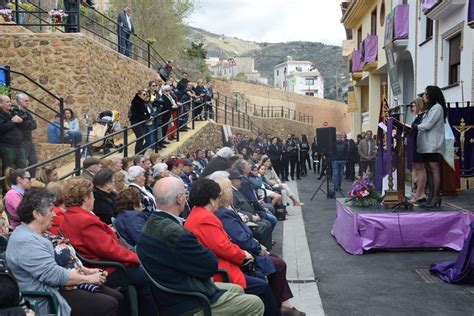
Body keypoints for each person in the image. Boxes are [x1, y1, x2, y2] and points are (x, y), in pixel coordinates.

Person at [136, 177, 264, 315]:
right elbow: (210, 265)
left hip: (172, 293)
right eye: (184, 194)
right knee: (255, 304)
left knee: (237, 289)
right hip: (188, 300)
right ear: (179, 199)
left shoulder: (149, 225)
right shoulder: (176, 232)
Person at [6, 189, 122, 316]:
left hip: (61, 287)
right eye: (51, 210)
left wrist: (85, 271)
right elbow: (53, 275)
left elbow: (60, 264)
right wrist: (87, 278)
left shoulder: (38, 234)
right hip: (49, 298)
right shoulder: (25, 241)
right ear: (37, 214)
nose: (55, 214)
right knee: (109, 304)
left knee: (117, 297)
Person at [58, 177, 157, 315]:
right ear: (86, 197)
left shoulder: (69, 216)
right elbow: (110, 250)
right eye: (92, 195)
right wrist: (136, 258)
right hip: (107, 269)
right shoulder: (84, 220)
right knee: (145, 274)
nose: (94, 199)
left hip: (97, 265)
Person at [184, 178, 279, 316]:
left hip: (218, 265)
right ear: (211, 200)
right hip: (221, 271)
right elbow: (224, 247)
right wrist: (244, 255)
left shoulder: (198, 214)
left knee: (260, 278)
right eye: (217, 198)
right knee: (261, 286)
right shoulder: (205, 218)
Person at [213, 175, 305, 316]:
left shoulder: (226, 210)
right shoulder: (224, 213)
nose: (232, 192)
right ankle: (279, 306)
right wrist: (258, 249)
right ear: (225, 194)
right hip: (244, 254)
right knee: (278, 264)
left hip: (246, 249)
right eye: (229, 190)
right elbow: (241, 239)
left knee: (276, 260)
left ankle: (283, 303)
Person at [412, 85, 447, 208]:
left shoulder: (437, 108)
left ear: (431, 95)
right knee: (429, 170)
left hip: (433, 145)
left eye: (426, 94)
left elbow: (427, 125)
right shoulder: (430, 109)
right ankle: (431, 195)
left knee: (434, 169)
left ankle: (436, 196)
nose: (423, 96)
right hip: (426, 145)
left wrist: (414, 126)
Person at [0, 95, 27, 175]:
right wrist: (13, 122)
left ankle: (23, 186)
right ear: (0, 104)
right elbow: (1, 128)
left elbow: (25, 116)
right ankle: (6, 187)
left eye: (10, 101)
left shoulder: (12, 112)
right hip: (7, 147)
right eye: (7, 102)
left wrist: (20, 120)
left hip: (19, 145)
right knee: (7, 170)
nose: (10, 103)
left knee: (24, 168)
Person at [409, 97, 428, 204]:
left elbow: (422, 128)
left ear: (419, 105)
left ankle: (419, 194)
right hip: (416, 144)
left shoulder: (424, 116)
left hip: (420, 145)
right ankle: (420, 192)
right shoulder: (418, 117)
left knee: (421, 169)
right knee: (418, 169)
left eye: (413, 105)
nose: (412, 108)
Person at [15, 93, 38, 177]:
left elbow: (34, 125)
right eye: (26, 101)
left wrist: (24, 121)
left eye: (28, 100)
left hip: (29, 141)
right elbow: (21, 125)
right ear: (19, 101)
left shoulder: (28, 114)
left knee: (34, 161)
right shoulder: (15, 112)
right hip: (21, 142)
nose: (28, 102)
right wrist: (27, 123)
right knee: (23, 164)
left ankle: (31, 181)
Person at [129, 90, 151, 154]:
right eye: (143, 94)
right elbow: (139, 115)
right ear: (139, 95)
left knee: (142, 138)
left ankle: (140, 154)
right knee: (140, 138)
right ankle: (137, 155)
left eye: (145, 94)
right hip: (136, 123)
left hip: (141, 123)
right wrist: (146, 116)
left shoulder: (142, 102)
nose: (145, 96)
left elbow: (146, 113)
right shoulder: (136, 102)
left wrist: (147, 116)